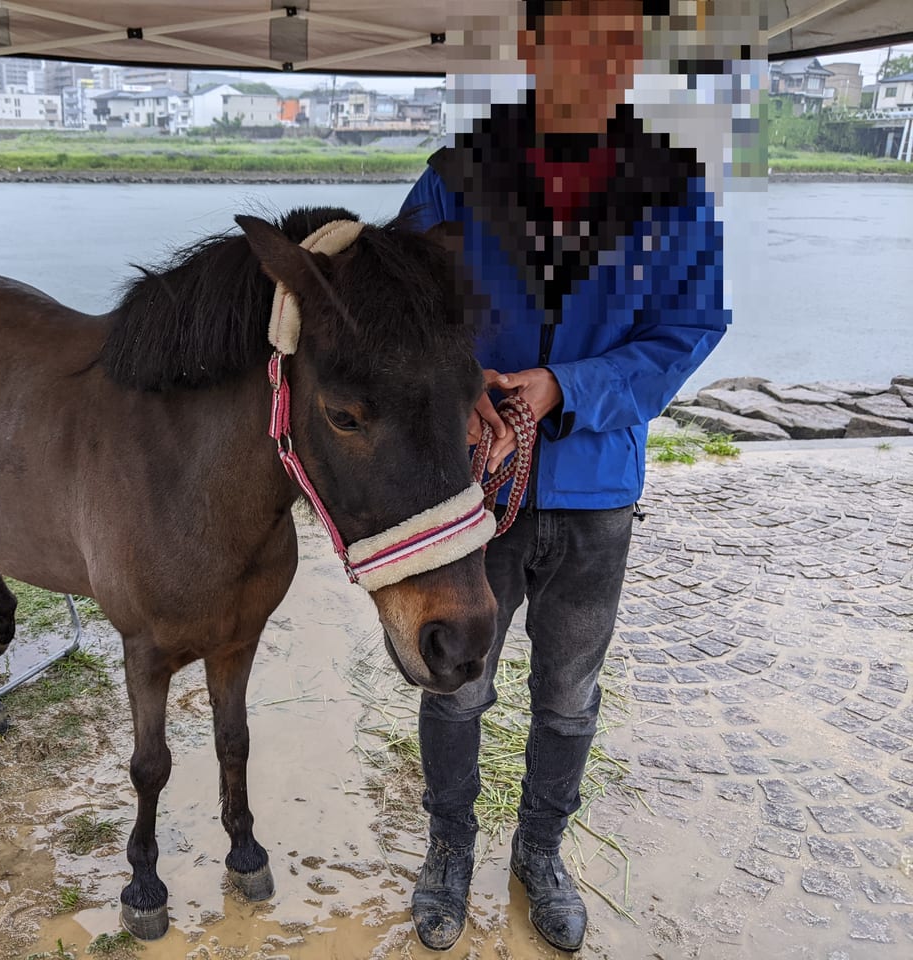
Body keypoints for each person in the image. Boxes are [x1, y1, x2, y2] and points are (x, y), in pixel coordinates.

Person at [399, 0, 729, 951]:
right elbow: (401, 302)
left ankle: (539, 851)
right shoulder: (459, 175)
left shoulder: (674, 187)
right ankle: (449, 848)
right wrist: (461, 381)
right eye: (584, 33)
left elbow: (692, 328)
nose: (606, 57)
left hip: (597, 493)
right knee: (454, 682)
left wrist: (566, 387)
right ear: (534, 46)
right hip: (475, 493)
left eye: (625, 38)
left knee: (569, 695)